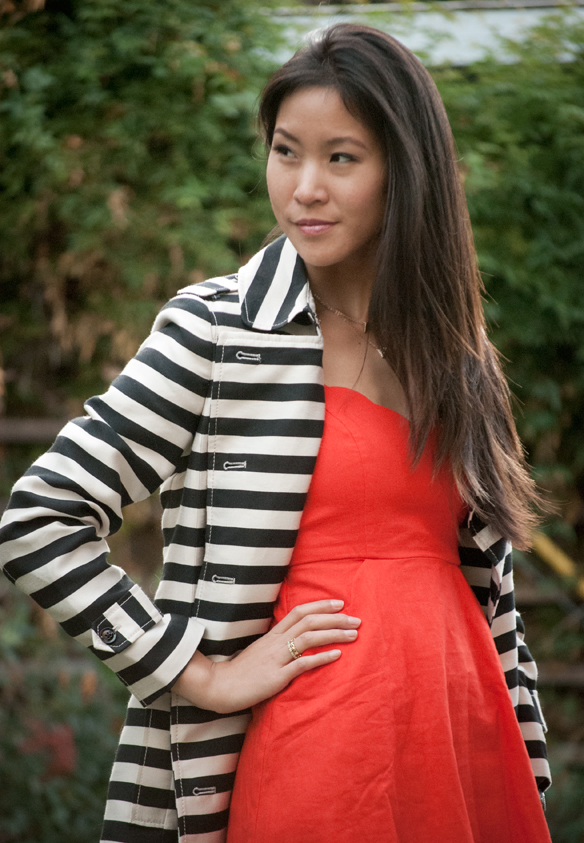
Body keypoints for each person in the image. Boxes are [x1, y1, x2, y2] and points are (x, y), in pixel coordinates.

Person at [0, 22, 552, 843]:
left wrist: (527, 762)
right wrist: (198, 673)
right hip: (313, 746)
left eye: (341, 157)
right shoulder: (218, 332)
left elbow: (490, 598)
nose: (303, 189)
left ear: (406, 170)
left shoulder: (455, 353)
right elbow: (38, 517)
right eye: (286, 151)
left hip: (464, 735)